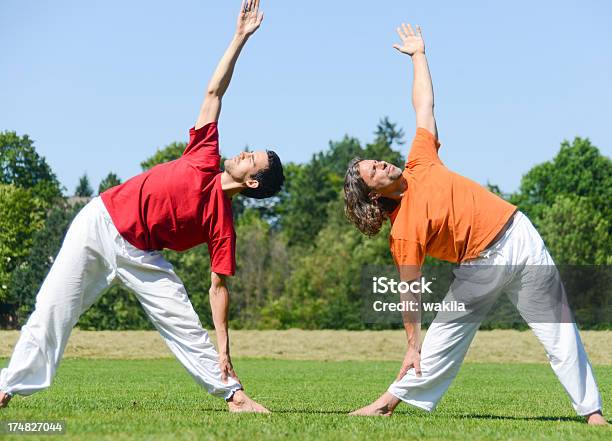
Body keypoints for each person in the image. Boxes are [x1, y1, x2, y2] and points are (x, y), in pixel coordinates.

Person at [0, 0, 281, 414]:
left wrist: (225, 348)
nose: (241, 153)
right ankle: (5, 388)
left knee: (183, 320)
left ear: (252, 181)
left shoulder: (222, 222)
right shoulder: (204, 152)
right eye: (247, 151)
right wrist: (239, 37)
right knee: (53, 309)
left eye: (250, 159)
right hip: (100, 221)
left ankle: (233, 395)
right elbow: (213, 91)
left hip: (141, 256)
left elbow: (218, 289)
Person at [343, 23, 606, 425]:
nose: (380, 162)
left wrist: (418, 56)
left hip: (518, 234)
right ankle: (388, 402)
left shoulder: (420, 161)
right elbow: (409, 291)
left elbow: (424, 106)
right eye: (372, 170)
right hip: (478, 266)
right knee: (442, 338)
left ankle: (593, 414)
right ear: (374, 195)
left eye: (375, 160)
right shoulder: (402, 232)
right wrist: (411, 343)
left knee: (560, 330)